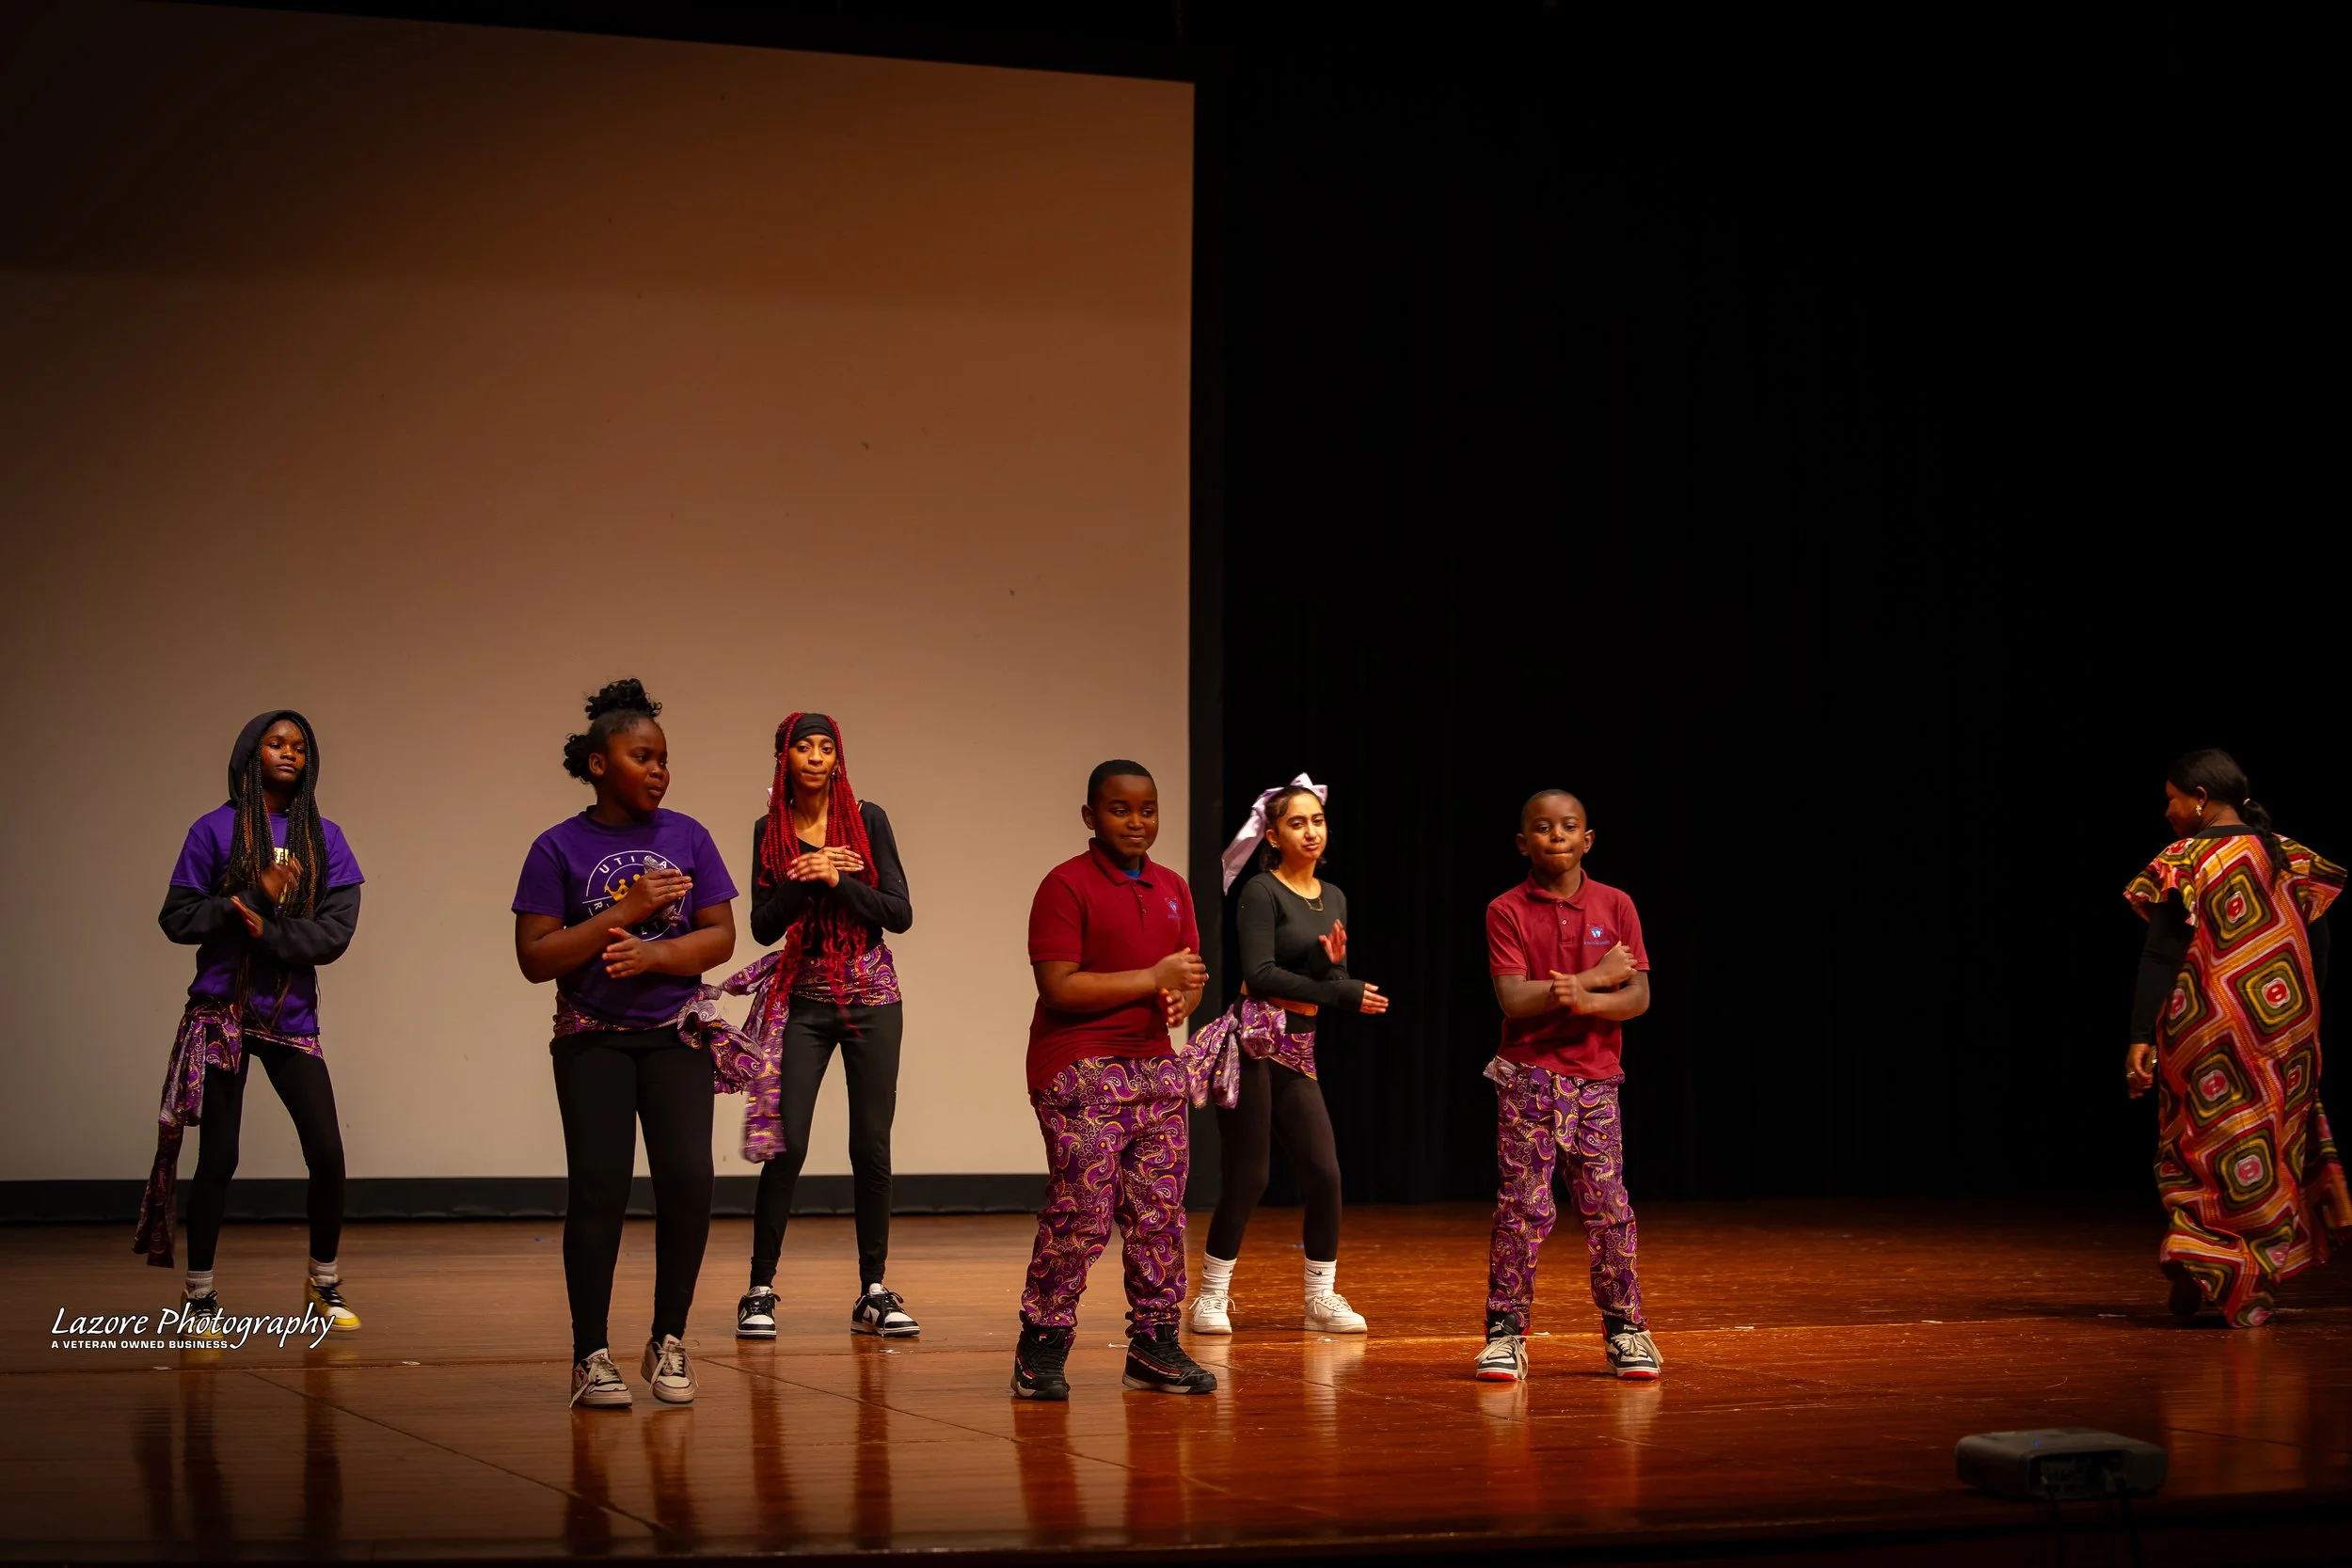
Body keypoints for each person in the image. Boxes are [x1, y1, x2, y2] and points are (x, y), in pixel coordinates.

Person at [514, 680, 739, 1409]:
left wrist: (655, 954)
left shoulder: (688, 836)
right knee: (600, 1190)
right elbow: (535, 956)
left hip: (675, 1036)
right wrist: (630, 907)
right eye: (642, 756)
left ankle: (669, 1338)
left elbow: (719, 935)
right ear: (598, 763)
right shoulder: (557, 846)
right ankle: (591, 1354)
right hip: (593, 1041)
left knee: (688, 1181)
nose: (658, 769)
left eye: (663, 758)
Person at [136, 710, 365, 1339]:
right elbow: (178, 918)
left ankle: (322, 1283)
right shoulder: (213, 830)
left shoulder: (325, 838)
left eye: (299, 746)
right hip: (223, 1012)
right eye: (276, 743)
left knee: (327, 1153)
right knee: (219, 1157)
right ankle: (200, 1296)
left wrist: (271, 930)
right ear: (250, 753)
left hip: (290, 1016)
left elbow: (336, 931)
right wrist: (251, 898)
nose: (289, 752)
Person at [1009, 760, 1216, 1401]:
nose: (1136, 821)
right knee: (1083, 1212)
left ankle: (1154, 1345)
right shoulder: (1065, 885)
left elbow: (1188, 975)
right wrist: (1153, 978)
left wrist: (1182, 997)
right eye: (1120, 809)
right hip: (1080, 1067)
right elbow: (1059, 986)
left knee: (1160, 1215)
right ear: (1090, 815)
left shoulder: (1172, 886)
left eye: (1147, 809)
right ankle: (1042, 1345)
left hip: (1154, 1066)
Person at [2122, 748, 2346, 1327]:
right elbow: (2319, 948)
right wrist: (2300, 1015)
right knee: (2271, 1145)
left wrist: (2141, 1034)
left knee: (2202, 1138)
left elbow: (2161, 953)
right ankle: (2250, 1276)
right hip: (2284, 1027)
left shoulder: (2184, 859)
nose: (2167, 811)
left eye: (2172, 799)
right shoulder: (2289, 856)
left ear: (2200, 798)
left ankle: (2200, 1251)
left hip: (2205, 1026)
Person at [733, 712, 917, 1342]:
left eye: (825, 747)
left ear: (838, 759)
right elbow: (762, 924)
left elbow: (899, 913)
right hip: (804, 1000)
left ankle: (873, 1290)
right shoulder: (769, 830)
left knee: (871, 1145)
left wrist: (837, 879)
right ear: (783, 758)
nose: (815, 757)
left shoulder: (868, 820)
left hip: (872, 995)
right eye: (803, 747)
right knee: (787, 1144)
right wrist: (803, 877)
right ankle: (759, 1289)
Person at [1186, 778, 1390, 1337]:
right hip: (1253, 1043)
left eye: (1317, 821)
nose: (1310, 831)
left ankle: (1319, 1298)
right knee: (1250, 1175)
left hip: (1298, 1048)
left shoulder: (1334, 896)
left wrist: (1332, 974)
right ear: (1273, 836)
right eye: (1297, 823)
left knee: (1325, 1174)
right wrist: (1342, 992)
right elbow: (1260, 974)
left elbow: (1328, 975)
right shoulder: (1261, 891)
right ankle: (1210, 1297)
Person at [1474, 789, 1659, 1383]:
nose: (1557, 836)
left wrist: (1584, 996)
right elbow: (1514, 997)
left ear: (1588, 839)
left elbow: (1638, 994)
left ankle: (1625, 1329)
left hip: (1596, 1080)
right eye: (1543, 828)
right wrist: (1591, 980)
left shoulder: (1616, 904)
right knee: (1523, 1208)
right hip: (1528, 1078)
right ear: (1523, 842)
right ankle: (1505, 1333)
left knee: (1608, 1208)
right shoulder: (1506, 909)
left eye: (1569, 826)